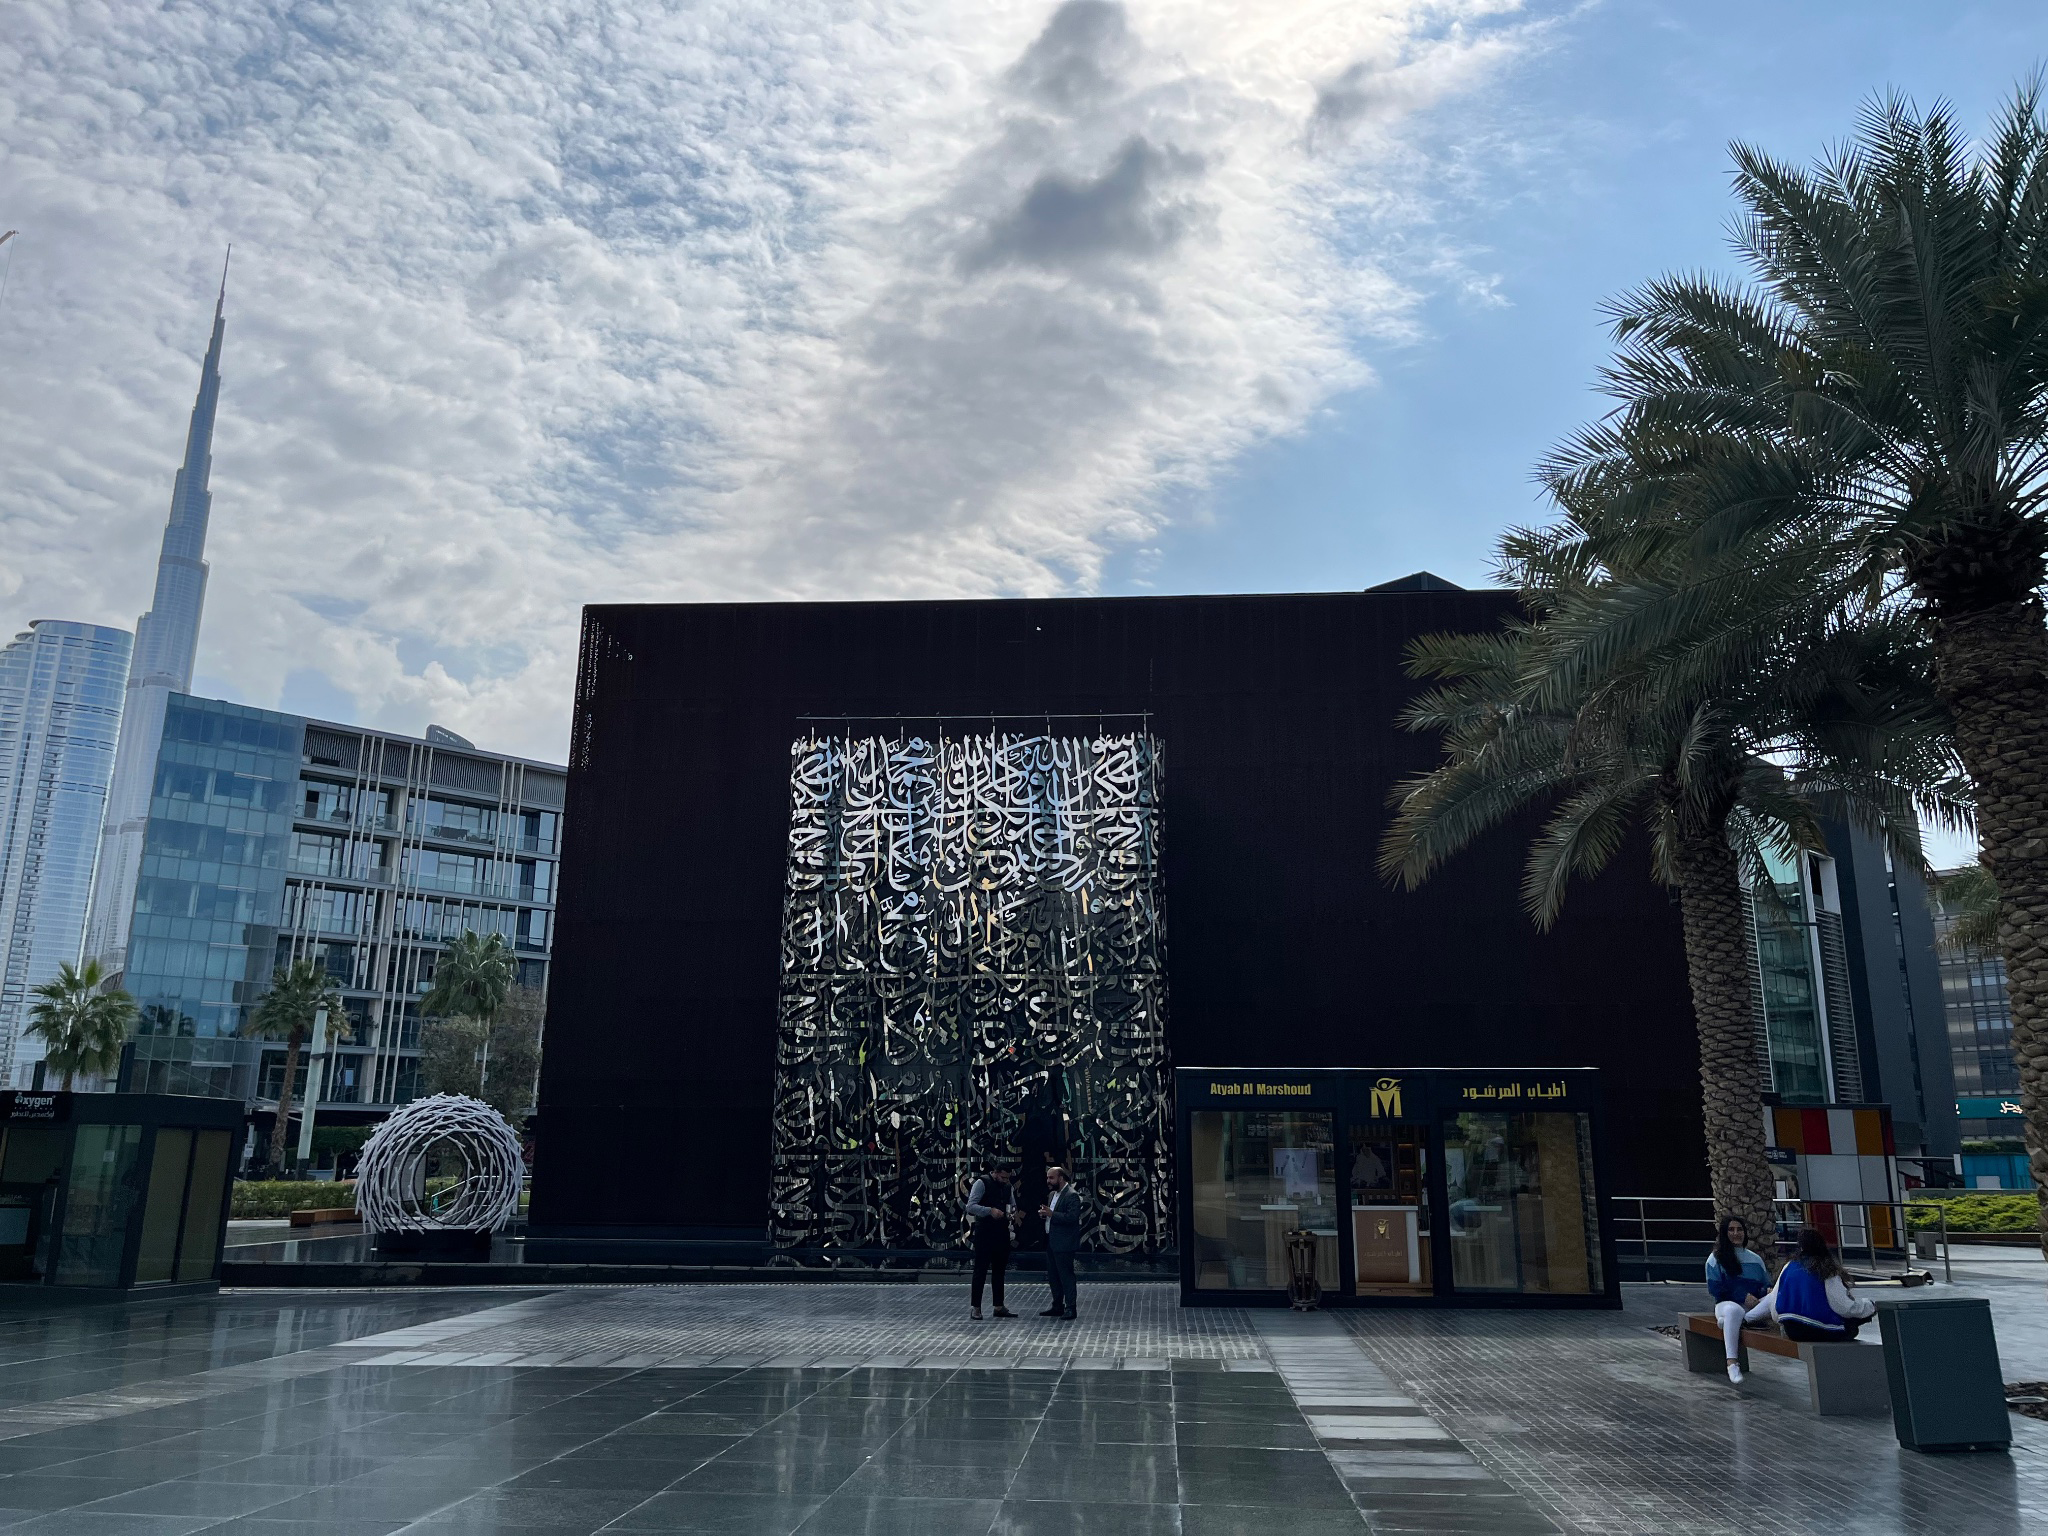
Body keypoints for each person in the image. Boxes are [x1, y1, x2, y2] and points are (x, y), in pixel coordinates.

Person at [1746, 1228, 1876, 1344]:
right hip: (1820, 1329)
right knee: (1855, 1322)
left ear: (1800, 1248)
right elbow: (1843, 1307)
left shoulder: (1789, 1266)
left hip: (1793, 1331)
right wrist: (1869, 1306)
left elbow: (1774, 1302)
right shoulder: (1826, 1269)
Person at [1704, 1215, 1771, 1384]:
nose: (1736, 1233)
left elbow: (1764, 1285)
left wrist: (1767, 1291)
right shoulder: (1715, 1259)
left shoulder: (1756, 1260)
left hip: (1753, 1308)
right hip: (1726, 1305)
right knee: (1734, 1310)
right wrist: (1742, 1296)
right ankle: (1732, 1363)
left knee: (1776, 1295)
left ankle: (1737, 1321)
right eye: (1731, 1230)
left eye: (1739, 1229)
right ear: (1724, 1233)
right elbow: (1715, 1289)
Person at [965, 1164, 1017, 1321]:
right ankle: (976, 1307)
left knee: (999, 1270)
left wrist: (1010, 1213)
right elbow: (971, 1206)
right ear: (995, 1173)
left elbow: (1012, 1204)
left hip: (1001, 1231)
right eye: (1003, 1177)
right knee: (980, 1270)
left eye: (1007, 1178)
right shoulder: (982, 1183)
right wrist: (989, 1211)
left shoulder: (1007, 1186)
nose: (1005, 1180)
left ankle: (999, 1305)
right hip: (985, 1232)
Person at [1039, 1165, 1080, 1320]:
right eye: (1047, 1177)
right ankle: (1057, 1305)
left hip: (1064, 1243)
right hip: (1052, 1241)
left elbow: (1072, 1217)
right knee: (1053, 1276)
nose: (1048, 1181)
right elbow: (1054, 1215)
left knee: (1066, 1276)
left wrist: (1052, 1214)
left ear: (1061, 1178)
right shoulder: (1052, 1195)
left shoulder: (1071, 1195)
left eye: (1051, 1178)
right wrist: (1046, 1214)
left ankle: (1071, 1307)